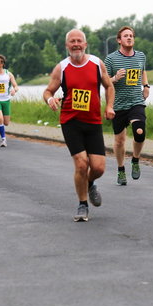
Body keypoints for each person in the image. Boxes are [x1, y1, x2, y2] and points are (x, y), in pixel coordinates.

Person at [43, 29, 115, 222]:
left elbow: (109, 86)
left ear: (85, 44)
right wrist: (50, 100)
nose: (76, 44)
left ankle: (90, 183)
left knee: (98, 168)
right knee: (82, 164)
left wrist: (109, 106)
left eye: (79, 41)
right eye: (72, 41)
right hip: (71, 121)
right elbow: (48, 91)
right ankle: (82, 205)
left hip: (93, 122)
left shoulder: (96, 64)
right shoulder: (62, 68)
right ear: (67, 46)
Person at [104, 26, 149, 186]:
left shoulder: (141, 56)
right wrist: (115, 78)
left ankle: (135, 160)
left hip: (136, 101)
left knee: (139, 131)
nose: (129, 38)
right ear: (119, 40)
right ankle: (121, 169)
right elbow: (104, 81)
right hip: (117, 104)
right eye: (125, 36)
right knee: (119, 141)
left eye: (131, 36)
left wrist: (146, 86)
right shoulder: (111, 59)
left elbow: (143, 71)